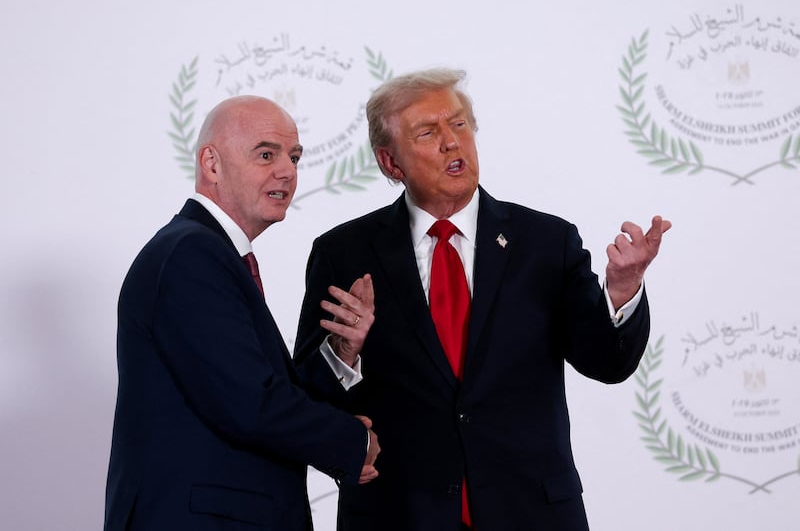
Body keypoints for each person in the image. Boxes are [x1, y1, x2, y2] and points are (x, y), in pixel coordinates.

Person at [294, 69, 671, 531]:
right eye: (428, 132)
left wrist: (622, 289)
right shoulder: (344, 253)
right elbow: (308, 399)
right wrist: (342, 352)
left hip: (531, 514)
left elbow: (607, 363)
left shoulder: (546, 242)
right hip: (397, 515)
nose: (452, 142)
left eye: (459, 124)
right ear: (391, 163)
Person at [104, 95, 380, 531]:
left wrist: (341, 351)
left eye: (293, 157)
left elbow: (250, 387)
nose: (287, 171)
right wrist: (353, 441)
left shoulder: (207, 252)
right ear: (211, 164)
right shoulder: (191, 253)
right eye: (266, 154)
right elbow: (250, 403)